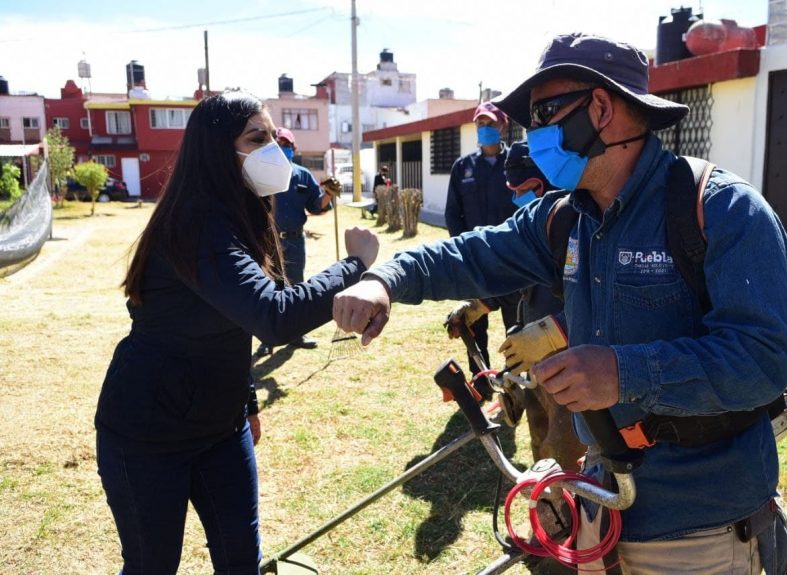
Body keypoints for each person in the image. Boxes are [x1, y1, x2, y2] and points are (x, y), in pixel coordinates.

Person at [332, 33, 787, 575]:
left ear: (601, 108)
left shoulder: (720, 211)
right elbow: (470, 255)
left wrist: (626, 372)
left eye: (546, 114)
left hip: (701, 532)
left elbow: (764, 361)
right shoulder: (563, 217)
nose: (534, 136)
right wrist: (384, 278)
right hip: (601, 508)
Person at [94, 91, 379, 575]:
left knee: (241, 561)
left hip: (222, 430)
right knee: (151, 565)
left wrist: (245, 404)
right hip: (147, 436)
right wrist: (354, 265)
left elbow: (234, 324)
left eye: (274, 136)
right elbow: (274, 317)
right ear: (215, 150)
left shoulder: (240, 214)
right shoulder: (195, 225)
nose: (274, 149)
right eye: (257, 137)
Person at [447, 141, 585, 471]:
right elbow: (517, 278)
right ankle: (548, 519)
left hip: (573, 365)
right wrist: (478, 305)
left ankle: (571, 518)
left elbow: (606, 302)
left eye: (525, 189)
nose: (516, 198)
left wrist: (554, 332)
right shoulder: (536, 225)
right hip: (536, 358)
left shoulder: (582, 224)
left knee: (567, 458)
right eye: (512, 190)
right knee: (540, 445)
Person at [444, 101, 520, 395]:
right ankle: (481, 382)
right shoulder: (463, 168)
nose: (484, 129)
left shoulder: (516, 163)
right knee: (475, 323)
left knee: (516, 327)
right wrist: (464, 251)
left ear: (502, 127)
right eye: (480, 124)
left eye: (490, 124)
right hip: (476, 261)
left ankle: (515, 386)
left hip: (513, 261)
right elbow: (453, 214)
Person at [256, 127, 338, 354]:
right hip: (267, 241)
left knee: (297, 286)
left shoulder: (303, 176)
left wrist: (329, 193)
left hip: (294, 241)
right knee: (269, 288)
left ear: (293, 148)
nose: (282, 148)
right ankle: (267, 338)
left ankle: (296, 333)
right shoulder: (260, 175)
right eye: (278, 144)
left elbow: (317, 206)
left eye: (286, 144)